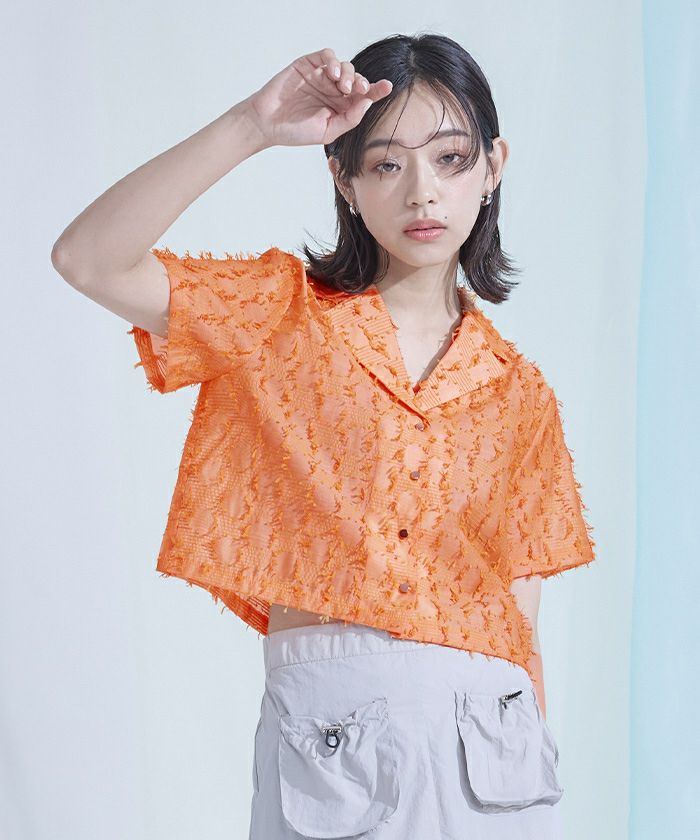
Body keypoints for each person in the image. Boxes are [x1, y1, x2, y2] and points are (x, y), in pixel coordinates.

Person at [52, 32, 596, 840]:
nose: (422, 192)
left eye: (450, 159)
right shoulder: (275, 315)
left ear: (493, 168)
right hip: (336, 747)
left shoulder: (520, 393)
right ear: (344, 179)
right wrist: (251, 124)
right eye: (387, 164)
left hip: (497, 761)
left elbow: (523, 634)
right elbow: (88, 259)